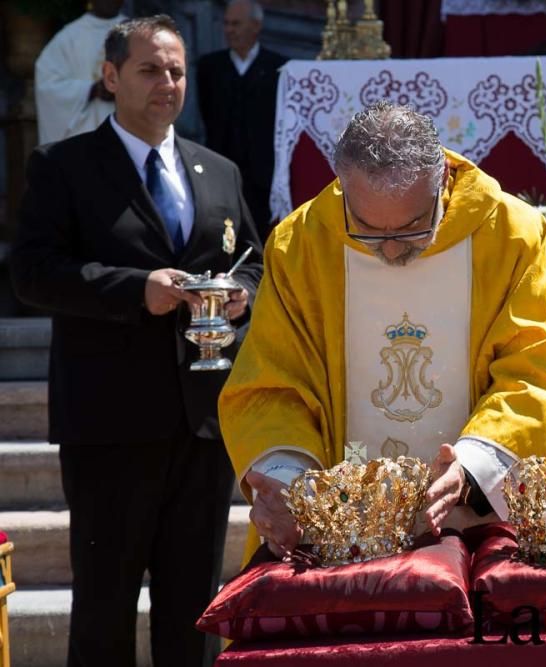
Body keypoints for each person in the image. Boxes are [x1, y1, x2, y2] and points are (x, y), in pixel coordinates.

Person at [218, 101, 546, 560]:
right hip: (343, 527)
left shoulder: (512, 235)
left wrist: (472, 469)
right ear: (344, 191)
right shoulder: (302, 245)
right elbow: (272, 384)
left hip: (480, 522)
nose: (390, 250)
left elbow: (541, 370)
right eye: (368, 230)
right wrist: (291, 484)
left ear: (441, 181)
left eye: (412, 228)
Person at [12, 16, 263, 667]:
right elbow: (33, 273)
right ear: (111, 76)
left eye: (177, 70)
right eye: (151, 69)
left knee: (195, 608)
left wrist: (243, 296)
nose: (168, 83)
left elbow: (255, 261)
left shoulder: (219, 170)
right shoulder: (64, 166)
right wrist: (134, 290)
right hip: (109, 426)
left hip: (202, 426)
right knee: (105, 608)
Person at [197, 0, 288, 241]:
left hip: (262, 175)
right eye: (226, 24)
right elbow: (207, 114)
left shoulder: (279, 67)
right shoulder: (209, 67)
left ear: (256, 26)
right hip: (219, 169)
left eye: (236, 24)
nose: (229, 30)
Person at [34, 0, 126, 145]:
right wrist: (91, 90)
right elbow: (47, 85)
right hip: (85, 136)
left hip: (127, 130)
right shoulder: (68, 37)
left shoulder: (138, 36)